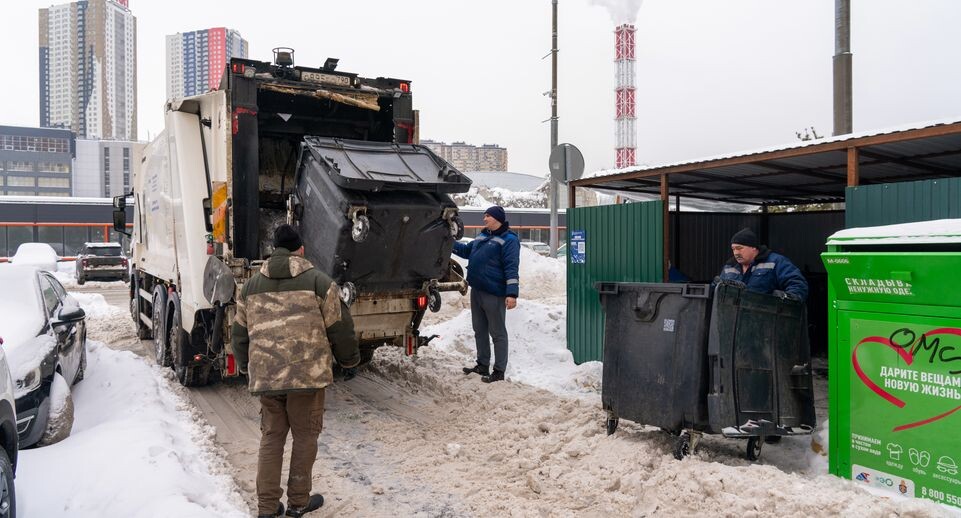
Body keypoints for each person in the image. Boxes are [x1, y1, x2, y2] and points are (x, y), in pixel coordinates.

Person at [233, 224, 360, 518]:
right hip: (307, 377)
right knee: (304, 437)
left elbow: (239, 333)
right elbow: (341, 328)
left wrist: (244, 364)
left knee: (272, 438)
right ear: (300, 250)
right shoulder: (319, 282)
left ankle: (266, 507)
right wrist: (349, 361)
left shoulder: (250, 286)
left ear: (273, 250)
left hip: (268, 377)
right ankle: (298, 503)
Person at [453, 205, 520, 383]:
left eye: (487, 216)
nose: (484, 219)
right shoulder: (483, 235)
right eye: (484, 216)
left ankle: (499, 371)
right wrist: (448, 242)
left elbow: (511, 267)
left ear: (497, 218)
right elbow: (467, 251)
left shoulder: (509, 239)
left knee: (497, 332)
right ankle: (482, 364)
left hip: (494, 292)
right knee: (479, 329)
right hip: (477, 290)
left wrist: (512, 294)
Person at [718, 228, 809, 301]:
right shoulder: (729, 266)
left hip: (766, 319)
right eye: (733, 249)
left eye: (739, 248)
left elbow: (797, 284)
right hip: (733, 319)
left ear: (753, 247)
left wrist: (786, 300)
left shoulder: (776, 262)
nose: (736, 253)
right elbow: (717, 290)